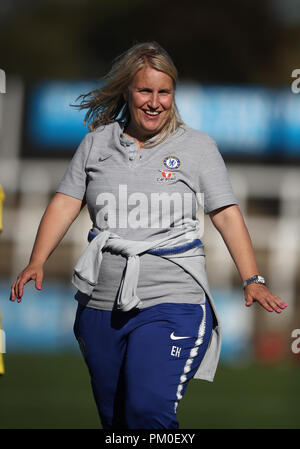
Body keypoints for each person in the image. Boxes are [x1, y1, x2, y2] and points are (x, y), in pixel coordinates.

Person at [10, 42, 287, 429]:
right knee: (117, 423)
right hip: (99, 307)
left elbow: (226, 214)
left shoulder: (197, 147)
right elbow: (64, 203)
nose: (155, 102)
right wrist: (37, 260)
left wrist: (252, 278)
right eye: (145, 91)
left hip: (174, 302)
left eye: (164, 92)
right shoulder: (95, 144)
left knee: (148, 414)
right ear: (127, 91)